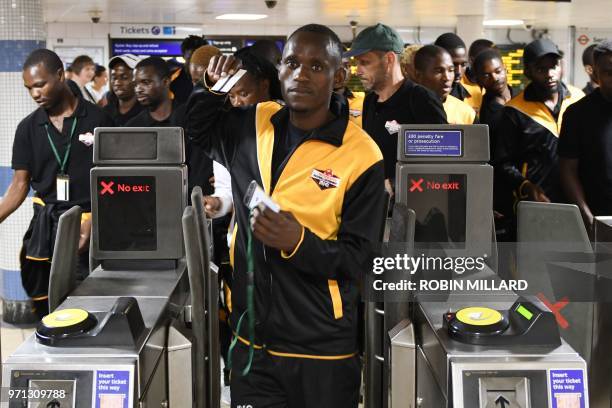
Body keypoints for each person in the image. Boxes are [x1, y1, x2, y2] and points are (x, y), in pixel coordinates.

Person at [185, 24, 385, 408]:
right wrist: (213, 89)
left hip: (322, 349)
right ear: (279, 72)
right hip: (252, 343)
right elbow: (199, 130)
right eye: (292, 63)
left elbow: (362, 259)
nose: (300, 74)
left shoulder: (361, 156)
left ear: (338, 75)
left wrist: (298, 243)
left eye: (316, 66)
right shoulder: (254, 123)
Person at [0, 49, 113, 318]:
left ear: (60, 75)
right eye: (29, 88)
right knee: (50, 309)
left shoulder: (99, 120)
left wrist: (95, 218)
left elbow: (116, 179)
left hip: (90, 229)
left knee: (90, 310)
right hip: (47, 229)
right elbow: (19, 185)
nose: (35, 94)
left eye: (40, 85)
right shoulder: (28, 128)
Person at [347, 23, 446, 197]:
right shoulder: (370, 101)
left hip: (417, 209)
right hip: (377, 206)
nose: (358, 71)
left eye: (365, 62)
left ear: (389, 59)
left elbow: (442, 161)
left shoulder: (421, 100)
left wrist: (395, 183)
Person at [494, 38, 584, 205]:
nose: (550, 74)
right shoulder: (515, 111)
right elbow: (503, 162)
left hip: (578, 197)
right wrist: (526, 186)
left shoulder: (578, 99)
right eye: (541, 69)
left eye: (554, 66)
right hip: (539, 201)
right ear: (528, 72)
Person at [126, 57, 213, 197]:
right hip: (149, 205)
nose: (138, 89)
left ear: (166, 82)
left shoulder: (191, 118)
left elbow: (200, 169)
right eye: (136, 84)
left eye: (146, 82)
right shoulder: (132, 128)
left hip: (192, 204)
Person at [560, 40, 612, 231]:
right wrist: (586, 216)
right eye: (609, 72)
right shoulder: (577, 114)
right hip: (598, 219)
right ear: (596, 74)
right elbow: (568, 169)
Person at [413, 45, 476, 125]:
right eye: (439, 71)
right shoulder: (402, 109)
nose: (447, 77)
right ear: (418, 75)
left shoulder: (466, 113)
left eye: (451, 70)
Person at [103, 54, 144, 126]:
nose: (117, 83)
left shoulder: (148, 113)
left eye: (124, 77)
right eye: (114, 78)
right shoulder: (105, 113)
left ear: (138, 79)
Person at [171, 35, 208, 105]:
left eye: (199, 59)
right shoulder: (172, 80)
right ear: (183, 57)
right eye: (190, 59)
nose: (195, 65)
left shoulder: (214, 81)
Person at [334, 55, 366, 127]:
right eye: (337, 66)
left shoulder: (364, 100)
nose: (344, 71)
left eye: (346, 66)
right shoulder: (315, 102)